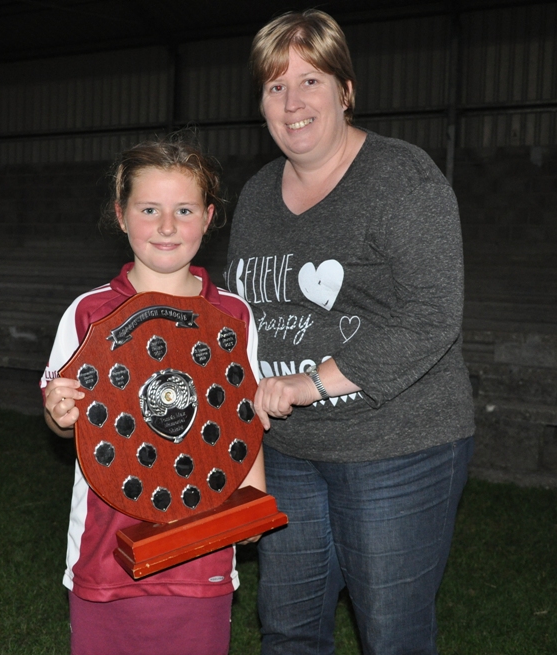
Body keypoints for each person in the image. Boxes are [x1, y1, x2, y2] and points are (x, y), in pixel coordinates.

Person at [224, 9, 475, 655]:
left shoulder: (401, 177)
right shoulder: (255, 196)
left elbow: (431, 315)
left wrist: (310, 382)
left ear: (346, 89)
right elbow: (241, 317)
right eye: (275, 86)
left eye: (310, 80)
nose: (293, 101)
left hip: (397, 450)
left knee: (392, 636)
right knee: (287, 629)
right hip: (290, 453)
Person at [41, 134, 265, 655]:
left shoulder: (233, 316)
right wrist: (58, 411)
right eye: (149, 209)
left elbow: (241, 416)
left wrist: (250, 503)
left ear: (209, 218)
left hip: (201, 556)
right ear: (121, 215)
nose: (167, 227)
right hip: (105, 559)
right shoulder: (89, 313)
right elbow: (61, 418)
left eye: (184, 210)